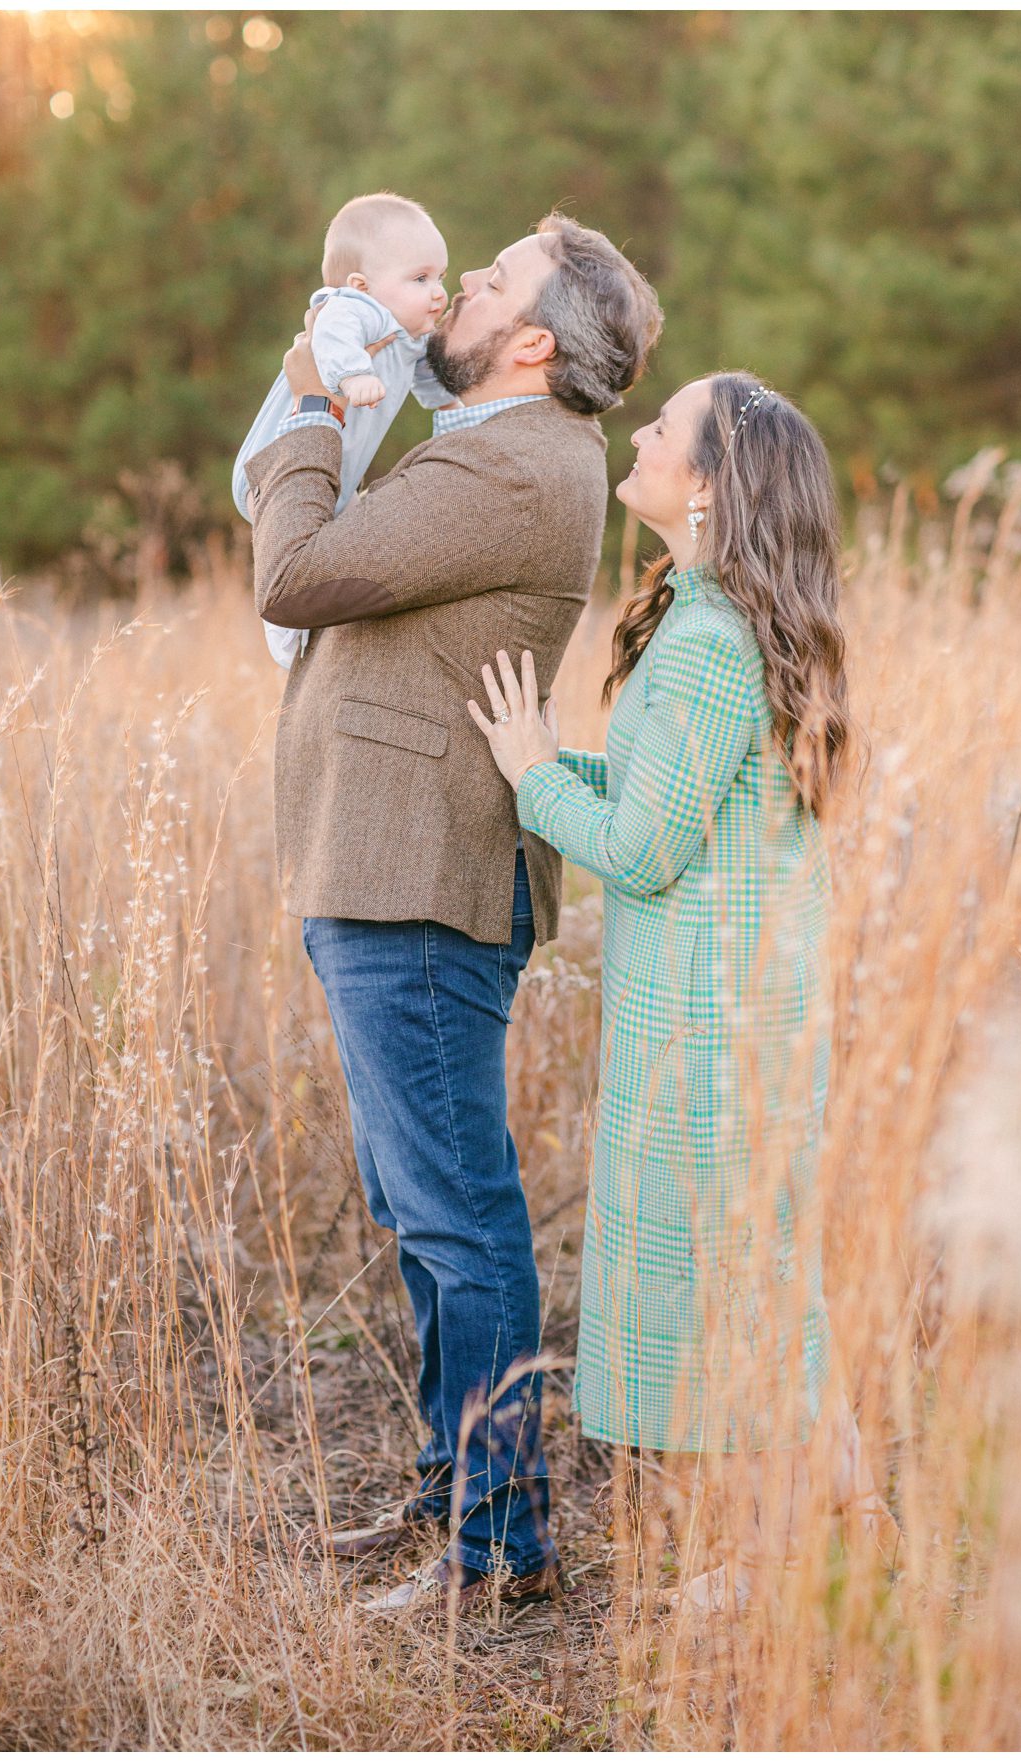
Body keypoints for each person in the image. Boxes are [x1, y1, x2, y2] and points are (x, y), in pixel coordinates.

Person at [241, 213, 661, 1615]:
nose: (459, 291)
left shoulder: (516, 459)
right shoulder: (502, 446)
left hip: (417, 878)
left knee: (460, 1218)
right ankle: (452, 1493)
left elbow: (294, 573)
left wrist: (308, 399)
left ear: (532, 339)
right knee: (424, 1210)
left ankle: (498, 1545)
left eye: (487, 283)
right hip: (384, 869)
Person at [470, 371, 894, 1612]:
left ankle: (766, 1560)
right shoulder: (718, 618)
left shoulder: (711, 642)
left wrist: (529, 774)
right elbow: (677, 789)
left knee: (727, 1293)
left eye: (663, 429)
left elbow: (647, 849)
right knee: (764, 1277)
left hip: (712, 1037)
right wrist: (561, 760)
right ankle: (854, 1516)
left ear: (707, 483)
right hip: (734, 1020)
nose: (640, 433)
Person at [230, 191, 454, 669]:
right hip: (272, 466)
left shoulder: (410, 334)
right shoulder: (354, 309)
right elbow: (331, 333)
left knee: (340, 549)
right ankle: (282, 618)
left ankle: (310, 627)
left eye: (440, 277)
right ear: (362, 284)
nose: (438, 291)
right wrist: (352, 374)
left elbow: (431, 378)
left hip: (336, 477)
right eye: (420, 278)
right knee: (290, 544)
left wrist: (451, 401)